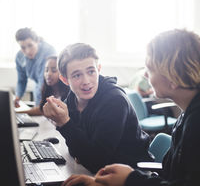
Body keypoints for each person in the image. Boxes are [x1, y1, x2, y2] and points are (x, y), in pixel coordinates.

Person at [60, 29, 200, 186]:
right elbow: (174, 185)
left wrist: (130, 182)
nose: (145, 74)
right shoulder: (187, 115)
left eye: (150, 68)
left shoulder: (196, 123)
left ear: (173, 77)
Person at [43, 43, 153, 173]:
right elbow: (76, 151)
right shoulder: (72, 98)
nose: (86, 81)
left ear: (98, 69)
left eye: (91, 71)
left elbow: (97, 162)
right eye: (77, 75)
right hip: (100, 173)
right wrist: (83, 152)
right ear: (65, 79)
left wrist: (64, 123)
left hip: (133, 175)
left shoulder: (115, 101)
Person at [14, 27, 56, 108]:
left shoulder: (49, 51)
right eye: (23, 47)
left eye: (30, 45)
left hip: (49, 89)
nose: (28, 51)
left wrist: (40, 107)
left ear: (37, 41)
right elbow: (21, 80)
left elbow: (44, 81)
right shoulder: (19, 56)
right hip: (37, 87)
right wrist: (17, 97)